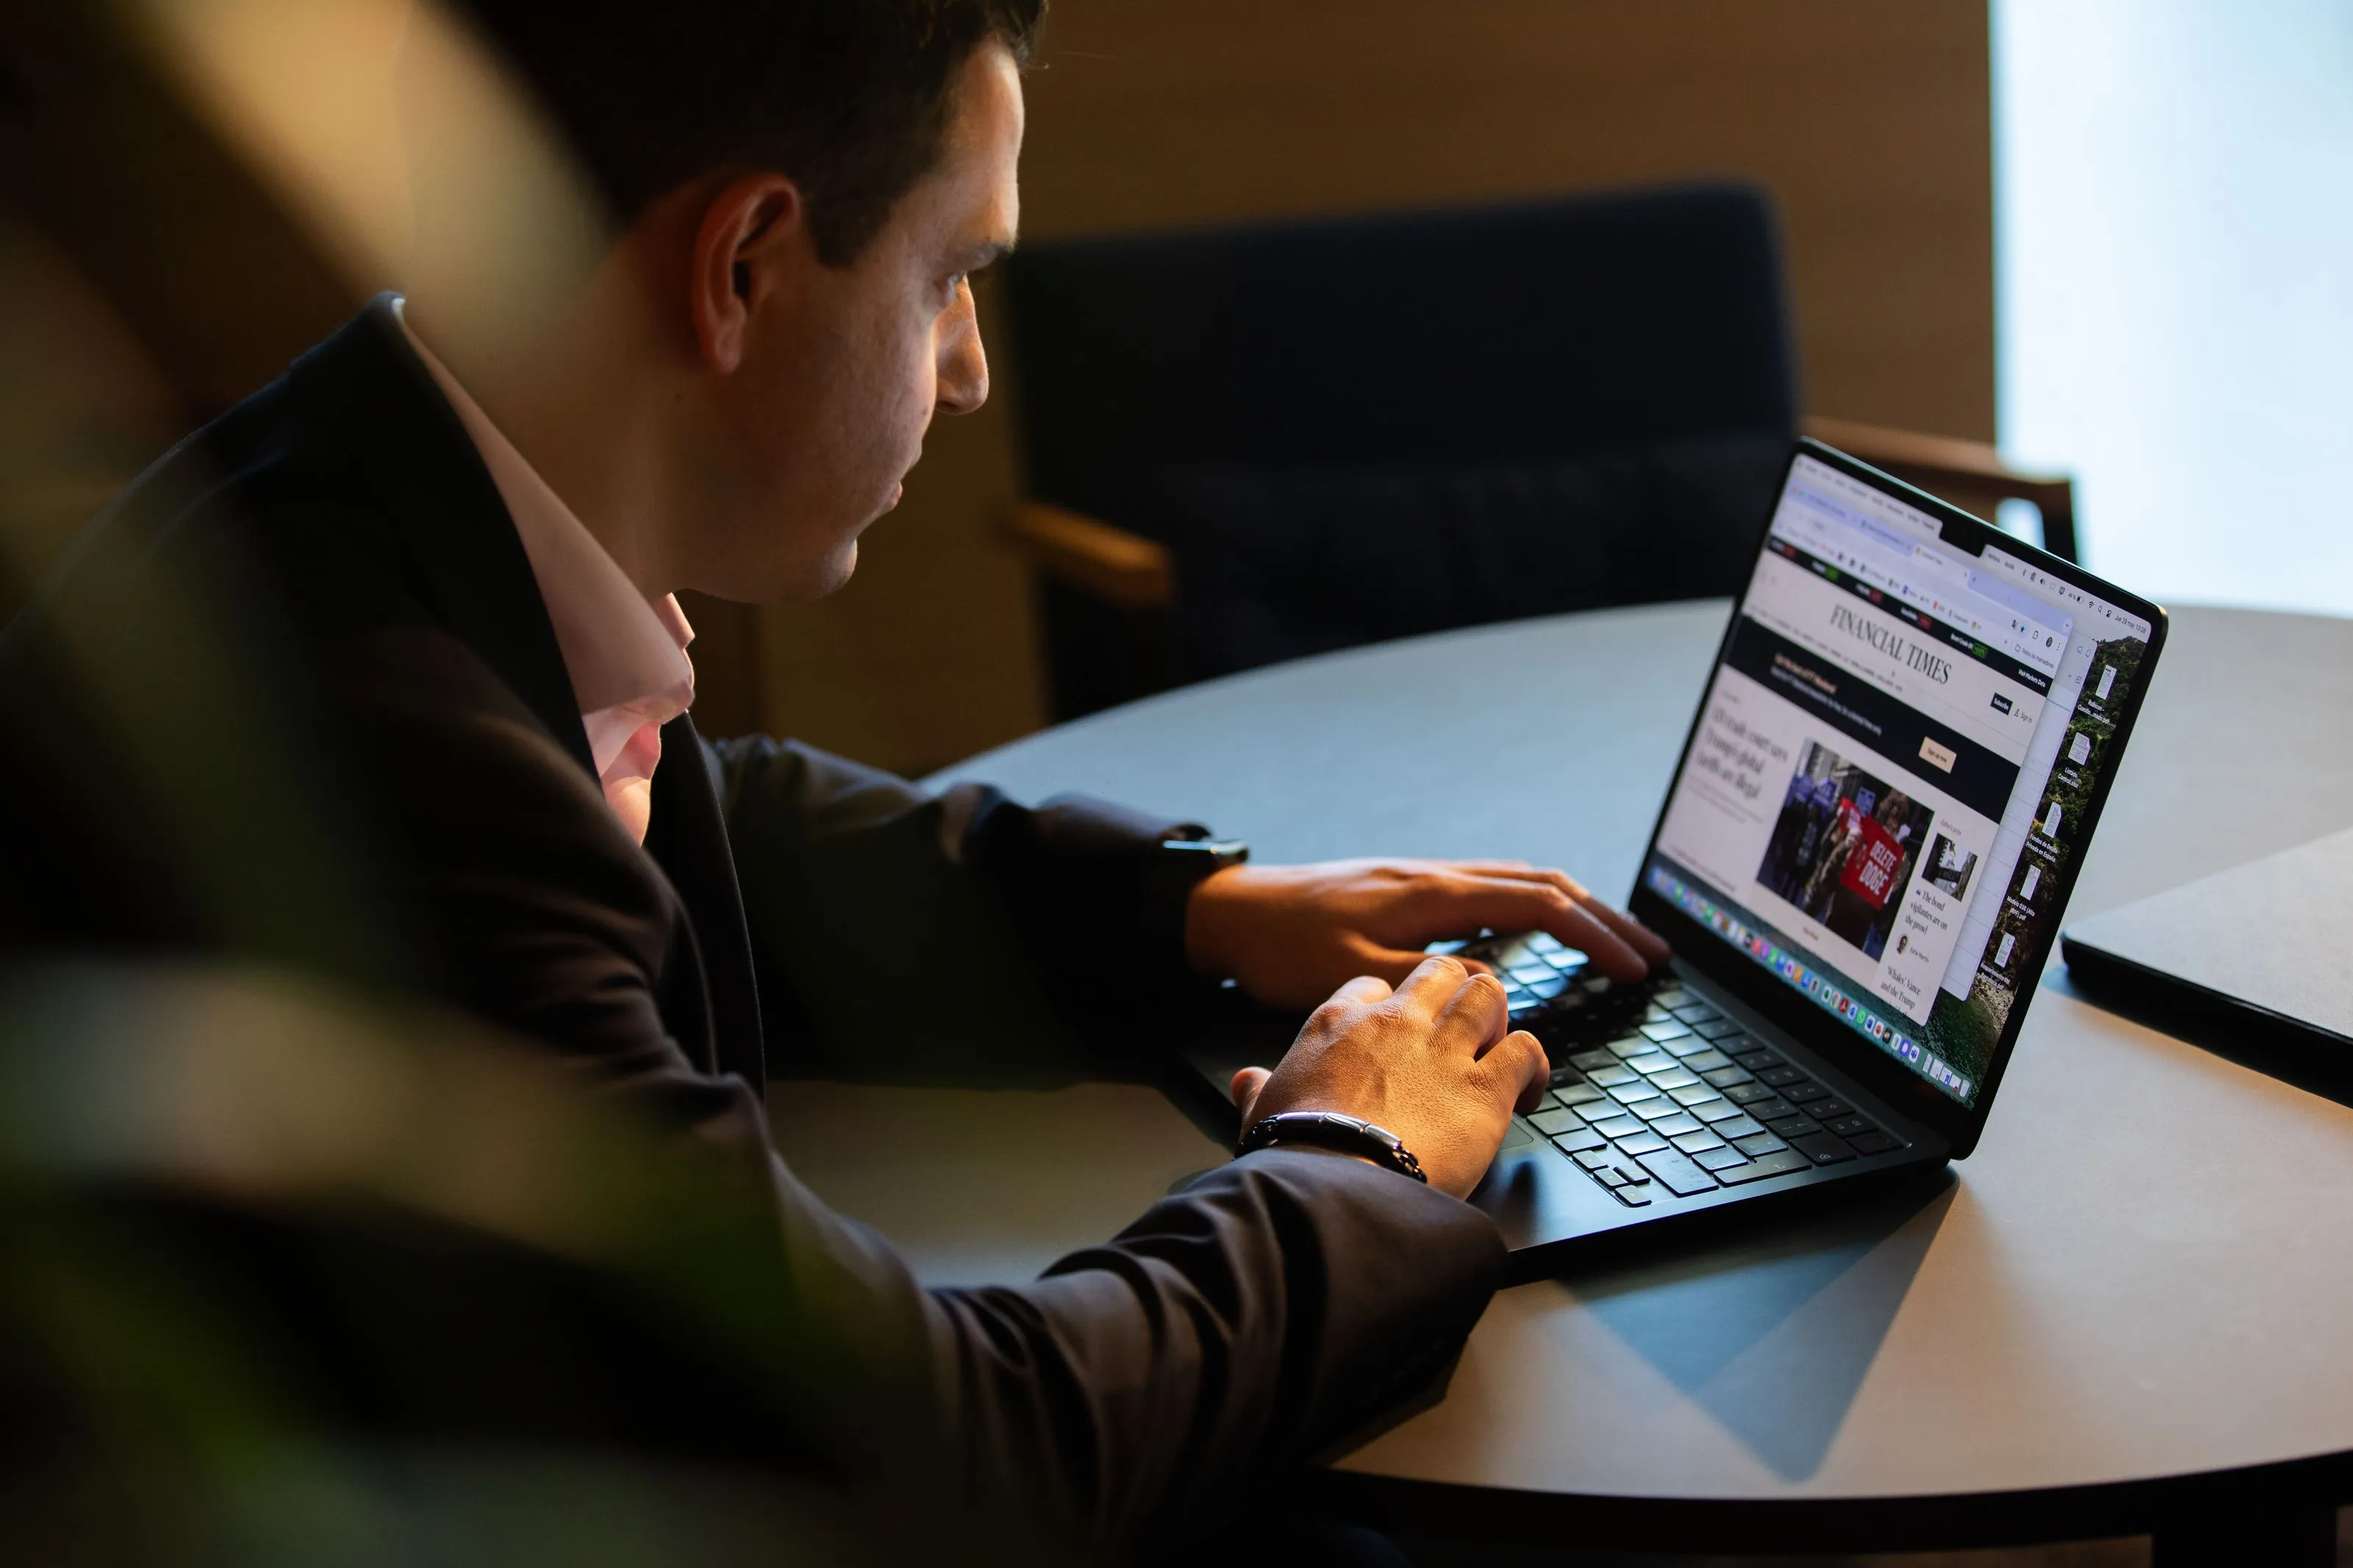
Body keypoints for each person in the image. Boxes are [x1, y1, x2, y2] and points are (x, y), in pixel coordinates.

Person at [0, 0, 1669, 1557]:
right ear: (742, 265)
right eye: (954, 275)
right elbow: (945, 1457)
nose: (969, 368)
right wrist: (1347, 1161)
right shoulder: (393, 757)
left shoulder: (357, 492)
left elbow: (717, 818)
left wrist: (1196, 909)